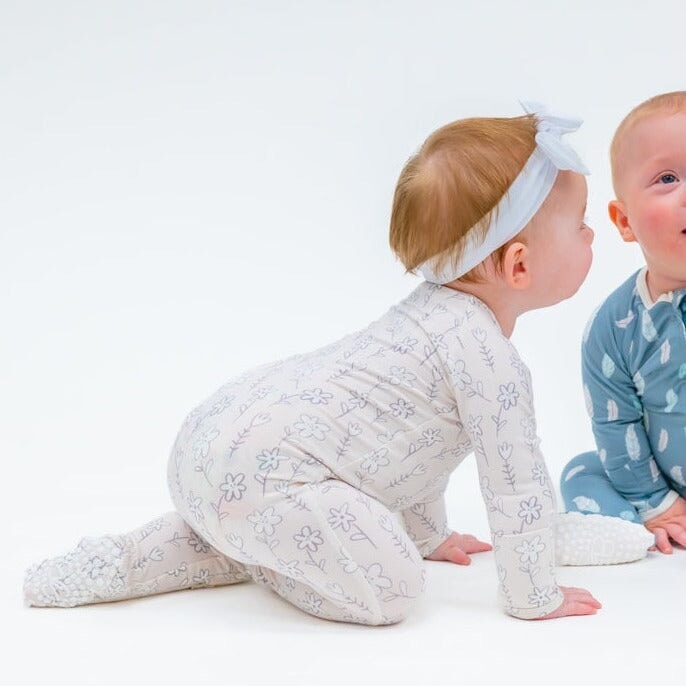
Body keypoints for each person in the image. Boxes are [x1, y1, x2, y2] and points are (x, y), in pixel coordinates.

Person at [25, 101, 611, 624]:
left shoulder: (424, 316)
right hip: (266, 479)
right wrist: (535, 594)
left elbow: (409, 443)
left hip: (208, 446)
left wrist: (429, 533)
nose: (591, 237)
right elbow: (515, 485)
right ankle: (263, 558)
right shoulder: (489, 360)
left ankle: (124, 562)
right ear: (518, 266)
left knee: (291, 500)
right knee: (395, 590)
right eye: (581, 225)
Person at [560, 91, 686, 559]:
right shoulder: (614, 326)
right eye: (667, 178)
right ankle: (635, 528)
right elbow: (615, 421)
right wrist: (656, 502)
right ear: (624, 220)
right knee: (582, 471)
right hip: (660, 477)